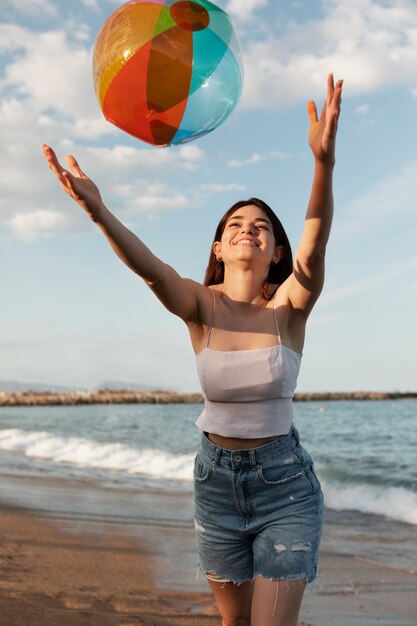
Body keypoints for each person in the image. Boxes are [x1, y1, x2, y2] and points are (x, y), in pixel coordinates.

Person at [42, 73, 343, 626]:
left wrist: (322, 164)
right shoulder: (199, 307)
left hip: (286, 489)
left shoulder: (290, 308)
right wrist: (98, 212)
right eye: (235, 224)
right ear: (218, 245)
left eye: (260, 227)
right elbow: (150, 270)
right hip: (215, 486)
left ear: (276, 250)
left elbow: (316, 245)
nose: (247, 231)